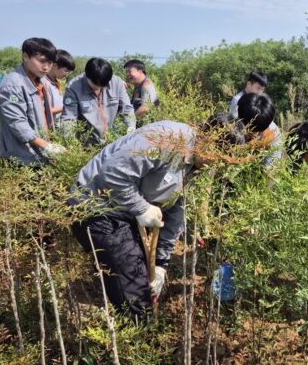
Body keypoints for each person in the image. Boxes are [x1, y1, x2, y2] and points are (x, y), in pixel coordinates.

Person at [68, 117, 247, 323]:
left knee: (142, 279)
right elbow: (112, 174)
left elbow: (176, 213)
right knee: (134, 286)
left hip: (126, 214)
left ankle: (132, 324)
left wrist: (162, 263)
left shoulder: (197, 164)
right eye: (217, 157)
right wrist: (142, 208)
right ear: (207, 138)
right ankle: (137, 340)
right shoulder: (165, 140)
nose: (215, 165)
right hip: (97, 207)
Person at [0, 38, 66, 166]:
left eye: (50, 63)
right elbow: (17, 123)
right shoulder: (13, 85)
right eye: (42, 61)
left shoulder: (41, 81)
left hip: (38, 155)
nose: (46, 67)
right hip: (20, 160)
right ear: (25, 56)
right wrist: (47, 146)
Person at [61, 57, 134, 145]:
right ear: (87, 76)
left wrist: (131, 126)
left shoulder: (116, 82)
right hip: (86, 144)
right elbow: (69, 119)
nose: (100, 88)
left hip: (112, 140)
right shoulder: (74, 87)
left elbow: (126, 108)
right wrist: (70, 143)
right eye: (96, 85)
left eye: (103, 85)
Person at [237, 92, 282, 166]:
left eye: (258, 132)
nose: (255, 135)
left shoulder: (273, 135)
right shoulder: (232, 122)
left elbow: (270, 169)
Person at [44, 49, 75, 122]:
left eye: (69, 72)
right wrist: (66, 107)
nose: (67, 74)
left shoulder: (55, 82)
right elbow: (42, 112)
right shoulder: (43, 83)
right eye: (66, 70)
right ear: (55, 66)